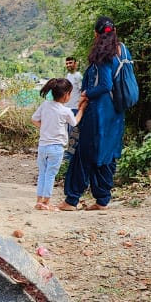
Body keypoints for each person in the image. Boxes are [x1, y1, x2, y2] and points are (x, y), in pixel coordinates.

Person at [60, 17, 126, 211]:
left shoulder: (102, 55)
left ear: (96, 34)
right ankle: (102, 199)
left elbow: (105, 85)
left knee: (83, 155)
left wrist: (86, 94)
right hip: (116, 114)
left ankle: (71, 200)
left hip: (98, 115)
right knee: (105, 156)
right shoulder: (122, 51)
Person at [31, 78, 86, 211]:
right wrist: (82, 109)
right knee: (50, 174)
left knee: (43, 174)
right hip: (56, 148)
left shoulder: (45, 105)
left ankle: (39, 200)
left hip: (43, 146)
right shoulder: (65, 111)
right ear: (66, 94)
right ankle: (46, 202)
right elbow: (74, 122)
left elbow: (34, 119)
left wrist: (45, 128)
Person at [64, 55, 83, 160]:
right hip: (67, 108)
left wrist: (81, 107)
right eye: (67, 63)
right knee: (68, 132)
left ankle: (72, 155)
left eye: (70, 63)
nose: (68, 65)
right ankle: (70, 153)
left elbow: (82, 91)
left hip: (76, 107)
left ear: (75, 64)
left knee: (74, 132)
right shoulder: (68, 76)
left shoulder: (78, 76)